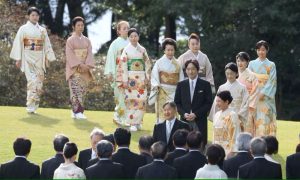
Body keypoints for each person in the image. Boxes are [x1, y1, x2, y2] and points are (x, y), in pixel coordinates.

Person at [9, 7, 56, 113]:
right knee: (32, 81)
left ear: (39, 17)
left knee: (39, 82)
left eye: (37, 15)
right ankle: (30, 106)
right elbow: (18, 43)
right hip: (27, 57)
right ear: (28, 16)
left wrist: (47, 58)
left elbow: (47, 44)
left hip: (39, 58)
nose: (35, 17)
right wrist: (18, 58)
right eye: (32, 15)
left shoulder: (42, 30)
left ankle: (35, 105)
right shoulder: (23, 29)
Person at [116, 28, 152, 131]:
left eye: (135, 36)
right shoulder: (126, 50)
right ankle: (131, 122)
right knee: (131, 100)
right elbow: (123, 65)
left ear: (138, 37)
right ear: (128, 37)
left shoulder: (142, 50)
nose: (133, 38)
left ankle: (138, 121)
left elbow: (147, 64)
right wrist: (125, 80)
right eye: (131, 36)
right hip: (130, 78)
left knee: (142, 99)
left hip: (141, 77)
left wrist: (147, 77)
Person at [174, 60, 213, 148]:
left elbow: (208, 103)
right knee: (184, 145)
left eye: (193, 69)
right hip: (185, 120)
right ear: (185, 71)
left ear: (198, 70)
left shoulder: (205, 84)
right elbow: (177, 102)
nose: (190, 71)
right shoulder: (181, 85)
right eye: (188, 69)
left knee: (200, 145)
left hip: (199, 120)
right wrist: (184, 113)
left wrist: (196, 114)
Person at [66, 16, 95, 119]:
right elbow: (69, 54)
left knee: (82, 90)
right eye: (78, 25)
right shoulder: (70, 40)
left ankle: (75, 111)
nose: (80, 27)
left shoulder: (87, 40)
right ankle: (78, 112)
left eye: (82, 25)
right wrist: (79, 64)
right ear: (73, 27)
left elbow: (90, 53)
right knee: (75, 89)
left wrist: (87, 65)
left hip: (85, 68)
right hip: (74, 69)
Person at [150, 38, 184, 122]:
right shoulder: (159, 62)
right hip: (162, 92)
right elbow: (154, 76)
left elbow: (181, 79)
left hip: (174, 91)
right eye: (168, 50)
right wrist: (156, 86)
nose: (170, 52)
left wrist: (180, 90)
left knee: (173, 111)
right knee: (162, 113)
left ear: (174, 51)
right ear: (164, 50)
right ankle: (161, 130)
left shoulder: (178, 64)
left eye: (172, 50)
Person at [248, 40, 277, 136]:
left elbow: (272, 81)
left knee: (265, 120)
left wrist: (263, 93)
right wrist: (254, 92)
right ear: (256, 51)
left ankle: (267, 146)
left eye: (263, 50)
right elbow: (249, 79)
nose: (261, 52)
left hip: (266, 98)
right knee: (254, 120)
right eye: (259, 50)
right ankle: (254, 145)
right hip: (254, 96)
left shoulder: (271, 65)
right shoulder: (251, 64)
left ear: (267, 50)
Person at [209, 62, 249, 130]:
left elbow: (246, 103)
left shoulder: (242, 88)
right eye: (227, 73)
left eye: (232, 73)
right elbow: (217, 103)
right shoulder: (221, 88)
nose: (229, 76)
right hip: (223, 117)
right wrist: (216, 116)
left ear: (236, 73)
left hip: (237, 116)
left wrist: (239, 115)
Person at [104, 20, 130, 125]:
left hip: (129, 73)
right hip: (118, 73)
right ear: (118, 31)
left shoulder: (131, 42)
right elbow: (111, 58)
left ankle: (127, 118)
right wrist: (110, 72)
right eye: (124, 28)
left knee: (129, 96)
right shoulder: (115, 44)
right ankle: (118, 115)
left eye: (127, 28)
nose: (126, 30)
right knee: (120, 96)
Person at [236, 52, 259, 136]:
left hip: (248, 107)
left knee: (247, 130)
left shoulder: (252, 76)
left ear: (247, 62)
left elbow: (255, 92)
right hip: (236, 105)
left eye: (242, 61)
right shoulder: (234, 75)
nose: (240, 63)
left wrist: (248, 105)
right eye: (238, 61)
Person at [212, 91, 241, 156]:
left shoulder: (232, 115)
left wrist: (233, 150)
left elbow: (235, 134)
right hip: (216, 147)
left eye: (219, 101)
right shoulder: (217, 114)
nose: (217, 103)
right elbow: (214, 132)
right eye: (216, 101)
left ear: (227, 102)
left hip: (227, 149)